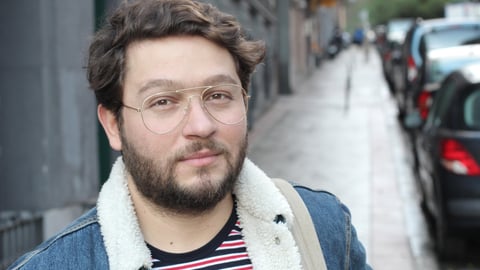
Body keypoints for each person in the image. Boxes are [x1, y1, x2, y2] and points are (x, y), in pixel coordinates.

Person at [9, 0, 371, 269]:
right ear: (113, 125)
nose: (201, 126)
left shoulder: (324, 229)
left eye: (218, 95)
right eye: (163, 101)